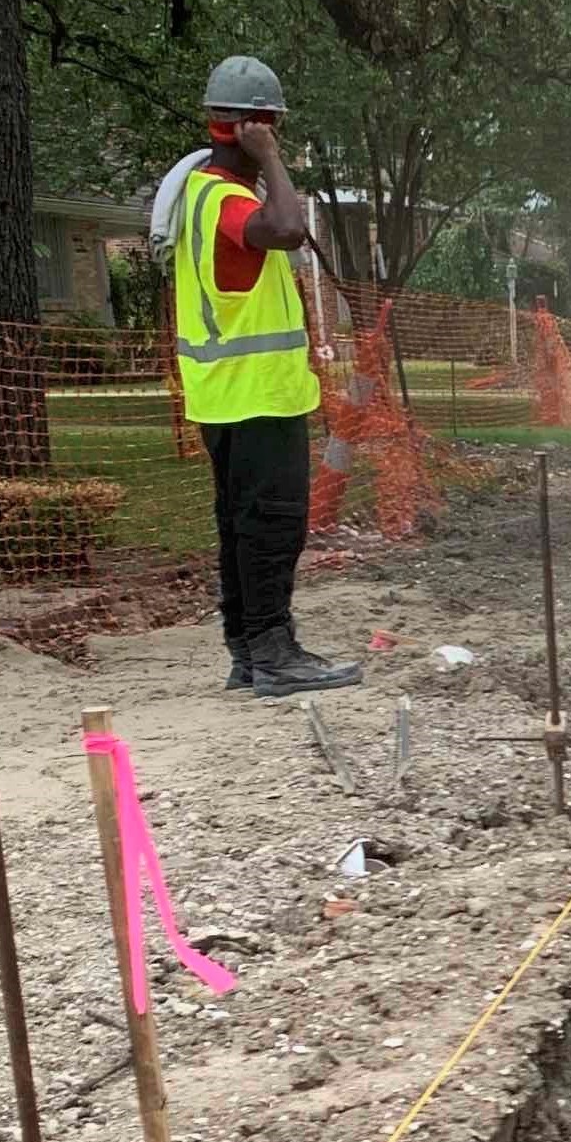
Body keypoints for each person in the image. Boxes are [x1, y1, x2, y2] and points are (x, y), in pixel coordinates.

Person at [170, 56, 361, 698]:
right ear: (257, 125)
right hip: (256, 398)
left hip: (222, 396)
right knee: (272, 526)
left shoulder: (196, 190)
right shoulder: (226, 199)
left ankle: (248, 652)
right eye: (271, 126)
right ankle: (274, 652)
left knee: (240, 526)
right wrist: (272, 159)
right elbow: (288, 229)